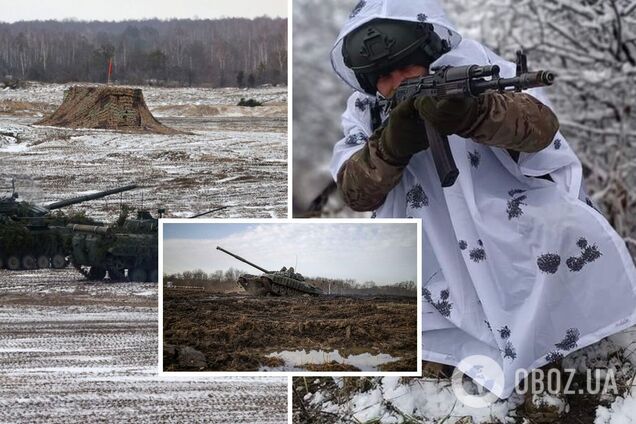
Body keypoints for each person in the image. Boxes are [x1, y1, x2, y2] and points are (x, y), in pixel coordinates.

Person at [329, 0, 636, 398]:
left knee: (559, 238)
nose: (397, 81)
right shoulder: (366, 113)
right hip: (431, 247)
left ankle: (557, 370)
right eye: (383, 75)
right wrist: (390, 146)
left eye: (406, 65)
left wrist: (474, 115)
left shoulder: (472, 69)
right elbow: (355, 191)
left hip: (513, 224)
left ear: (426, 52)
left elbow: (540, 128)